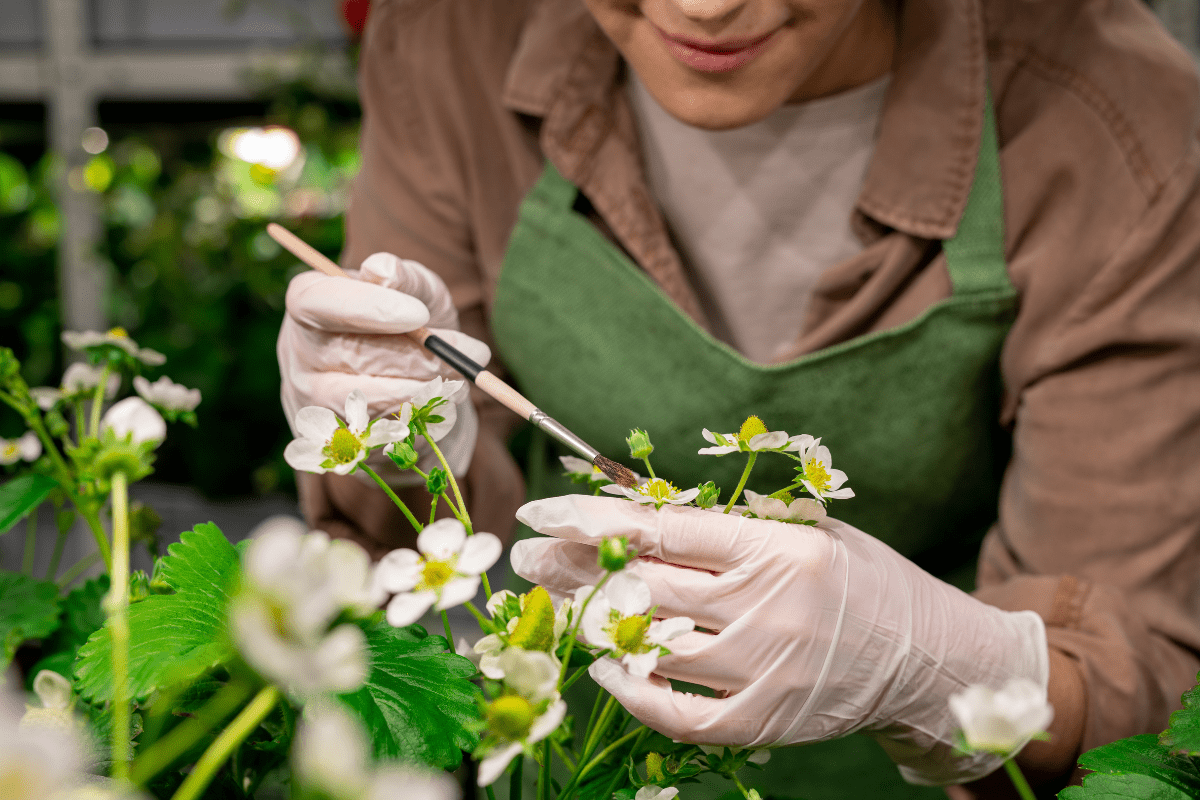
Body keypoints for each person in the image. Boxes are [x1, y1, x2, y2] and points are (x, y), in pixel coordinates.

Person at [276, 0, 1200, 795]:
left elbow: (1139, 689)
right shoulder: (454, 39)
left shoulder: (1122, 125)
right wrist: (393, 427)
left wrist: (946, 668)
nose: (707, 10)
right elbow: (405, 591)